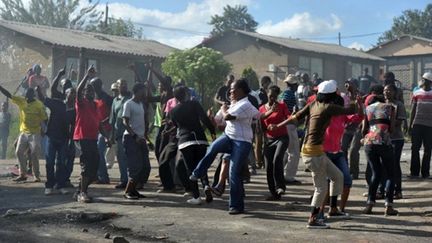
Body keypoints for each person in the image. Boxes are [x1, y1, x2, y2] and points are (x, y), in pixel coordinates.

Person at [268, 80, 360, 229]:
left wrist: (277, 125)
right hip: (313, 154)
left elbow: (294, 117)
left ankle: (334, 209)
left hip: (314, 151)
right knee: (321, 188)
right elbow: (351, 110)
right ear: (331, 95)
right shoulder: (328, 108)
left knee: (338, 176)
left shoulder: (313, 104)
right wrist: (353, 93)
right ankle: (313, 218)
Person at [191, 79, 273, 214]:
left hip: (242, 142)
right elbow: (221, 121)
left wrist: (223, 110)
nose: (230, 92)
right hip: (228, 136)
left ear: (241, 91)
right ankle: (198, 172)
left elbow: (229, 117)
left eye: (233, 90)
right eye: (230, 90)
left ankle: (236, 206)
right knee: (212, 148)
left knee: (233, 174)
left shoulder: (245, 104)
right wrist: (212, 117)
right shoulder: (234, 104)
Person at [170, 86, 217, 204]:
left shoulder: (173, 111)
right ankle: (206, 185)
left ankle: (196, 197)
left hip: (185, 142)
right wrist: (212, 132)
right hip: (200, 139)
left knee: (190, 169)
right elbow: (204, 119)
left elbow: (177, 127)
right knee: (202, 165)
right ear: (186, 94)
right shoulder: (194, 104)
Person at [73, 66, 108, 203]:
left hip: (93, 138)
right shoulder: (81, 103)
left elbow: (99, 124)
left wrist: (105, 137)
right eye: (87, 91)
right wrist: (87, 76)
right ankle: (82, 193)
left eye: (92, 91)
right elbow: (78, 90)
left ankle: (79, 191)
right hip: (82, 137)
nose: (90, 93)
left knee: (94, 165)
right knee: (87, 165)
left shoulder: (95, 105)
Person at [0, 84, 47, 182]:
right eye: (25, 96)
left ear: (32, 96)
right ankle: (23, 174)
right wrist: (0, 88)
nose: (26, 98)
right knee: (18, 151)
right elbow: (9, 95)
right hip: (24, 132)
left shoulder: (39, 105)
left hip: (35, 132)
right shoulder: (22, 100)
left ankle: (36, 175)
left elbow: (44, 119)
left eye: (28, 97)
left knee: (34, 153)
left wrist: (44, 130)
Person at [361, 95, 398, 216]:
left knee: (375, 174)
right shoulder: (390, 107)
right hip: (384, 142)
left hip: (369, 143)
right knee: (390, 175)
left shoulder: (368, 108)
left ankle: (369, 205)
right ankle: (388, 206)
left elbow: (364, 129)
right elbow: (391, 129)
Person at [36, 68, 71, 195]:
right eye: (68, 93)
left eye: (73, 93)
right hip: (52, 137)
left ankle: (60, 185)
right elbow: (44, 98)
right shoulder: (57, 103)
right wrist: (38, 91)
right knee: (50, 162)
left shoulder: (73, 108)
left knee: (61, 163)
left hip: (64, 138)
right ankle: (49, 185)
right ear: (65, 94)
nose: (71, 95)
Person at [259, 85, 290, 200]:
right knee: (268, 167)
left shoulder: (282, 105)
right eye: (270, 96)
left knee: (277, 159)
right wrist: (263, 140)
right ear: (267, 94)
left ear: (277, 96)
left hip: (282, 137)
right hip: (269, 139)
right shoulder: (262, 108)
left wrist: (279, 125)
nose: (272, 99)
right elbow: (262, 124)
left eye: (274, 97)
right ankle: (274, 193)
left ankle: (280, 186)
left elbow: (289, 118)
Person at [122, 83, 151, 199]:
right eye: (143, 91)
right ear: (137, 91)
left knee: (145, 166)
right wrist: (135, 136)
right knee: (135, 166)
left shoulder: (141, 104)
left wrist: (145, 137)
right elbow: (125, 122)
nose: (144, 93)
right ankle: (128, 191)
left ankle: (134, 190)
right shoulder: (128, 104)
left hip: (141, 138)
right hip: (131, 138)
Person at [384, 84, 406, 199]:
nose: (387, 92)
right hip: (383, 139)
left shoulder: (399, 105)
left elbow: (399, 122)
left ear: (394, 92)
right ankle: (382, 190)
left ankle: (398, 190)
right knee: (383, 165)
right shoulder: (381, 105)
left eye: (389, 90)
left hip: (396, 139)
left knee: (395, 164)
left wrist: (384, 126)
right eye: (385, 90)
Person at [90, 77, 113, 184]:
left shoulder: (107, 98)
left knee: (99, 151)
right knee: (96, 153)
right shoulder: (93, 98)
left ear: (100, 85)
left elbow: (113, 114)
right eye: (92, 85)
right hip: (96, 129)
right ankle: (98, 175)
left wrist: (105, 121)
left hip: (106, 129)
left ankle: (104, 177)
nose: (94, 87)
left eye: (95, 85)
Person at [409, 72, 432, 179]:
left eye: (425, 80)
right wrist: (410, 125)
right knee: (415, 149)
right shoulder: (416, 93)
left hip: (429, 126)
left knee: (428, 150)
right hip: (417, 125)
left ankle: (425, 173)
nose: (423, 82)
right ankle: (414, 172)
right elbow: (413, 110)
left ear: (428, 82)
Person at [109, 79, 131, 189]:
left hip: (130, 133)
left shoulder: (130, 98)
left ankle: (132, 181)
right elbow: (112, 120)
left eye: (125, 84)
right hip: (118, 134)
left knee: (130, 158)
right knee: (121, 159)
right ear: (117, 86)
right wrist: (111, 136)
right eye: (121, 84)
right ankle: (124, 180)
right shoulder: (115, 101)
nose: (123, 86)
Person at [281, 74, 302, 184]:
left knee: (287, 151)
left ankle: (282, 174)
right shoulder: (289, 95)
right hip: (289, 123)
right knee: (294, 152)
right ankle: (289, 176)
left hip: (284, 124)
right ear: (293, 84)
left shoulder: (284, 94)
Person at [341, 79, 363, 179]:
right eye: (346, 82)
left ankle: (354, 172)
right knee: (343, 148)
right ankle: (345, 170)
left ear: (355, 85)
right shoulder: (344, 96)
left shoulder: (361, 96)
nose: (347, 84)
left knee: (353, 150)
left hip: (357, 127)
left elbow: (363, 111)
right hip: (346, 127)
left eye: (350, 83)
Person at [254, 76, 272, 169]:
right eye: (268, 83)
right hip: (259, 118)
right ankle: (258, 162)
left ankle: (265, 160)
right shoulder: (259, 93)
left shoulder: (268, 93)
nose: (269, 85)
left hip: (266, 119)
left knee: (266, 141)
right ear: (264, 83)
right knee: (258, 141)